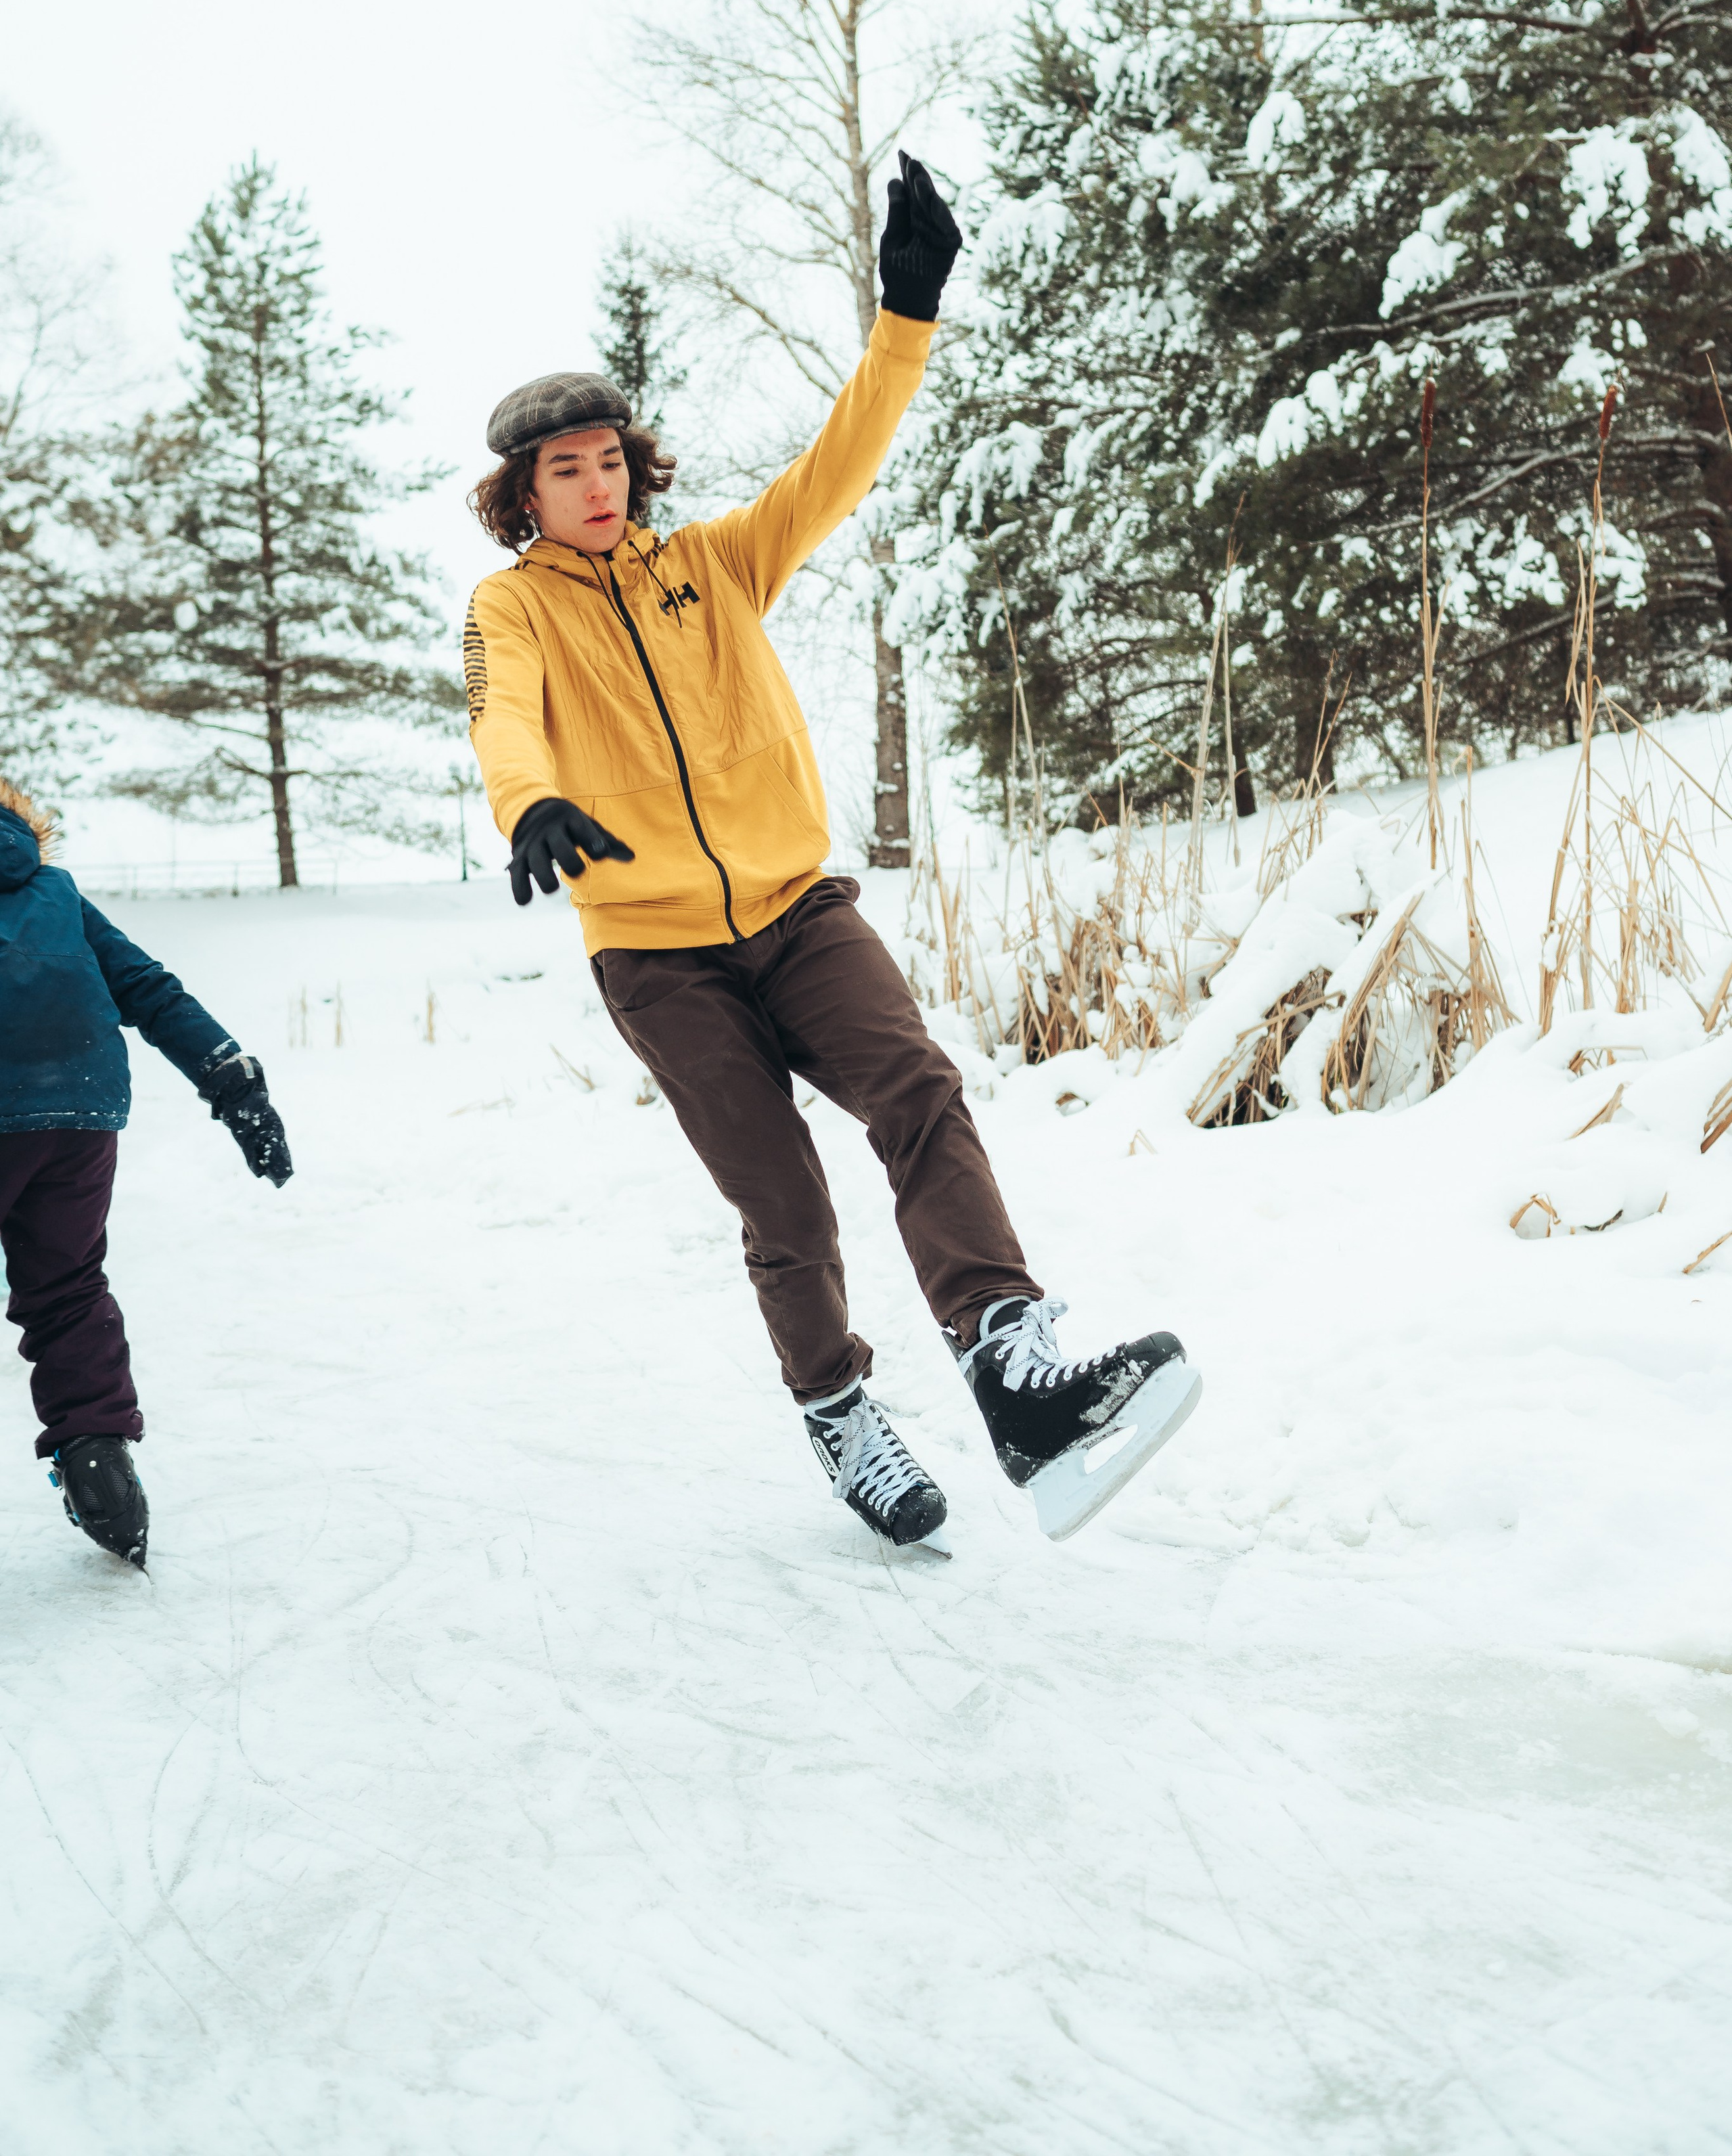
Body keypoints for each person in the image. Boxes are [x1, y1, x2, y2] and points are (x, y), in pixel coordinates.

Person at [463, 156, 1200, 1550]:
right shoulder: (514, 610)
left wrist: (905, 313)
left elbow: (840, 460)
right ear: (523, 497)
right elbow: (505, 718)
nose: (597, 484)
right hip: (657, 953)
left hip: (797, 910)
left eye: (610, 458)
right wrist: (529, 806)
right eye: (565, 471)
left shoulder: (718, 565)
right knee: (783, 1198)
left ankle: (1015, 1367)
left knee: (916, 1087)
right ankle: (836, 1406)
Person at [0, 777, 292, 1567]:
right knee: (65, 1289)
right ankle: (98, 1458)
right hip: (79, 1110)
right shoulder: (54, 890)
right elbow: (147, 988)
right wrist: (234, 1083)